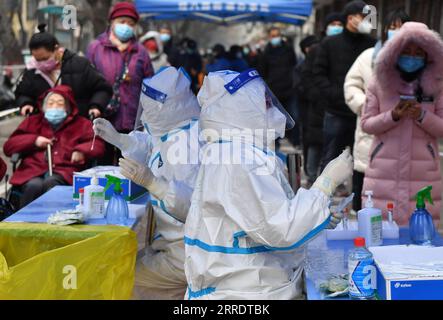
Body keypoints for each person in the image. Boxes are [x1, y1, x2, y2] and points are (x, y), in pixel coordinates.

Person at [184, 69, 353, 300]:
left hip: (244, 282)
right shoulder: (238, 158)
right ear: (241, 109)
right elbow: (279, 229)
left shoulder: (233, 151)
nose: (272, 110)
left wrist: (317, 215)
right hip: (243, 291)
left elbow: (263, 214)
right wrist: (325, 184)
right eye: (264, 104)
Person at [93, 67, 201, 299]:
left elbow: (194, 207)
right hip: (172, 245)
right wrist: (121, 139)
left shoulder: (187, 147)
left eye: (149, 109)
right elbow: (152, 144)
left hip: (186, 254)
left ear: (166, 108)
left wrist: (155, 184)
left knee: (121, 278)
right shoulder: (176, 129)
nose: (144, 116)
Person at [361, 22, 443, 226]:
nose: (412, 57)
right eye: (406, 51)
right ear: (395, 53)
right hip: (383, 171)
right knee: (380, 232)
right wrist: (393, 116)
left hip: (423, 173)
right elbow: (367, 125)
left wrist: (421, 115)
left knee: (421, 235)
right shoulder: (378, 83)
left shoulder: (438, 87)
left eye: (418, 53)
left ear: (429, 55)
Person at [344, 10, 410, 211]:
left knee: (396, 201)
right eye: (392, 28)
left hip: (405, 136)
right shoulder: (368, 57)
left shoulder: (419, 60)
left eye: (401, 28)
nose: (396, 32)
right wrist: (365, 104)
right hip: (370, 135)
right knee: (365, 198)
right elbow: (351, 84)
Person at [4, 85, 106, 209]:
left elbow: (98, 145)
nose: (54, 107)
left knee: (52, 183)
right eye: (50, 103)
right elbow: (9, 146)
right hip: (33, 170)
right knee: (33, 185)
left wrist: (81, 151)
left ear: (68, 106)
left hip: (65, 171)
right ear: (44, 106)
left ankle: (54, 221)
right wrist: (34, 141)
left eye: (59, 103)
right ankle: (25, 221)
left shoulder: (82, 124)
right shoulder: (33, 122)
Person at [313, 0, 376, 180]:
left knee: (363, 160)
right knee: (331, 157)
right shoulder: (330, 43)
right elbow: (318, 74)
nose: (368, 21)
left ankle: (359, 199)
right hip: (337, 111)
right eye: (364, 17)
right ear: (350, 18)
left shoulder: (373, 45)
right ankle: (322, 199)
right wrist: (334, 95)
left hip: (364, 111)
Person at [87, 1, 154, 164]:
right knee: (104, 164)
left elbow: (150, 84)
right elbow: (87, 80)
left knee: (130, 165)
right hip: (104, 116)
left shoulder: (141, 52)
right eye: (122, 22)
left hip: (132, 118)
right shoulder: (96, 48)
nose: (126, 26)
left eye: (130, 23)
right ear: (111, 22)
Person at [15, 24, 112, 119]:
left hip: (79, 124)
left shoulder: (80, 65)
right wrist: (26, 103)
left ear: (56, 49)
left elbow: (102, 88)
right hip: (45, 126)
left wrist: (96, 106)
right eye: (37, 59)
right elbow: (23, 93)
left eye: (45, 58)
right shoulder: (31, 71)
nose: (41, 63)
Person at [300, 13, 344, 188]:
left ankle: (335, 180)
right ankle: (311, 176)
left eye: (339, 24)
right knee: (315, 142)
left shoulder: (345, 48)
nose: (336, 27)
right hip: (319, 104)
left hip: (340, 103)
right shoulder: (318, 49)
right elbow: (306, 75)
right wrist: (315, 95)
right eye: (332, 24)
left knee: (338, 144)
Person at [258, 26, 297, 148]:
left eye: (277, 35)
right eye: (273, 36)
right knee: (274, 118)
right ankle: (276, 142)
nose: (275, 38)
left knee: (293, 116)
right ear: (270, 37)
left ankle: (293, 140)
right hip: (273, 90)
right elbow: (263, 71)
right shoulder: (266, 52)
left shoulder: (288, 50)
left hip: (289, 88)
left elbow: (294, 66)